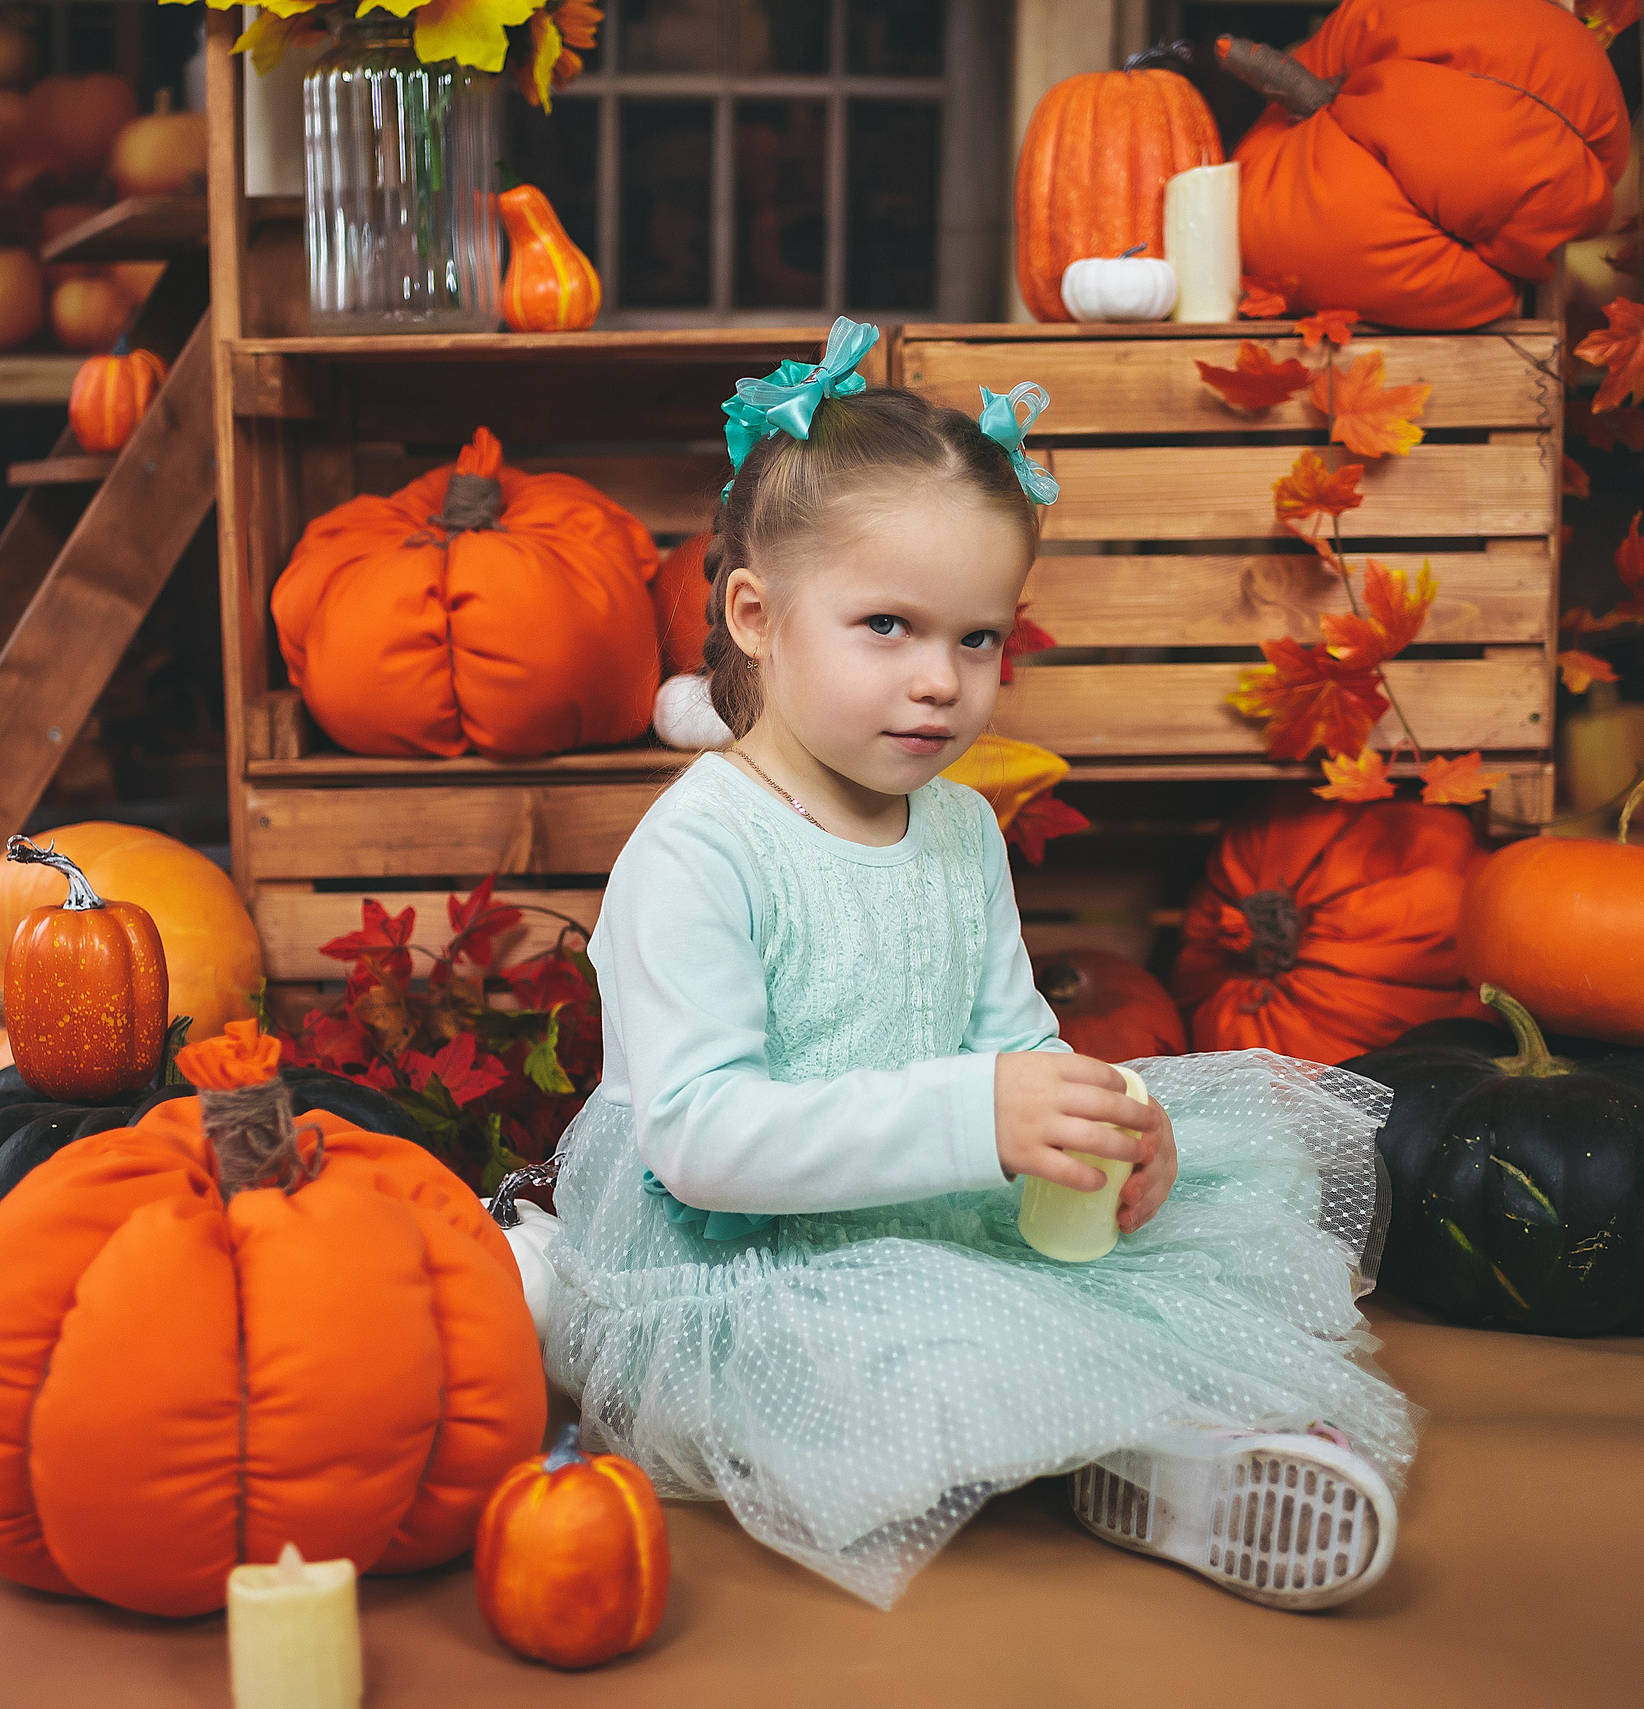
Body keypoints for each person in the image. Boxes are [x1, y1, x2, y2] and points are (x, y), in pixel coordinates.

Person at [532, 318, 1417, 1612]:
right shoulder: (700, 852)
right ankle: (1155, 1447)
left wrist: (1098, 1122)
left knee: (1217, 1204)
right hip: (754, 1254)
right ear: (756, 616)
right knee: (907, 1352)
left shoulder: (955, 827)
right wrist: (978, 1114)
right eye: (887, 625)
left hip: (940, 1183)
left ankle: (1184, 1453)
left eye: (979, 639)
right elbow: (704, 1141)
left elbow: (1015, 1039)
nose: (939, 683)